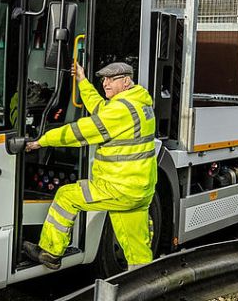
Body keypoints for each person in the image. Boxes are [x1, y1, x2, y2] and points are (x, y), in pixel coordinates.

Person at [23, 61, 157, 271]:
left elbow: (81, 132)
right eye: (103, 79)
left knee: (66, 196)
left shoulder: (120, 110)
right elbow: (98, 107)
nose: (105, 83)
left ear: (126, 81)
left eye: (110, 79)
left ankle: (50, 252)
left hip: (117, 188)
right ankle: (143, 286)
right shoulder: (138, 102)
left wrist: (42, 140)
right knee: (138, 252)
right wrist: (82, 81)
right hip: (139, 189)